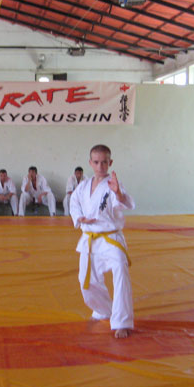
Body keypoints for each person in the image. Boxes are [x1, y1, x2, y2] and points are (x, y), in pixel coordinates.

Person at [70, 144, 135, 339]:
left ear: (110, 162)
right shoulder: (83, 186)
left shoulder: (113, 184)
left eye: (104, 162)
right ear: (90, 163)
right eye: (96, 162)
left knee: (121, 272)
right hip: (90, 239)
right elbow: (74, 203)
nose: (100, 166)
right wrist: (79, 217)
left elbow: (122, 202)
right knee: (86, 282)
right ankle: (103, 310)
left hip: (110, 238)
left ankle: (122, 322)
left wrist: (118, 193)